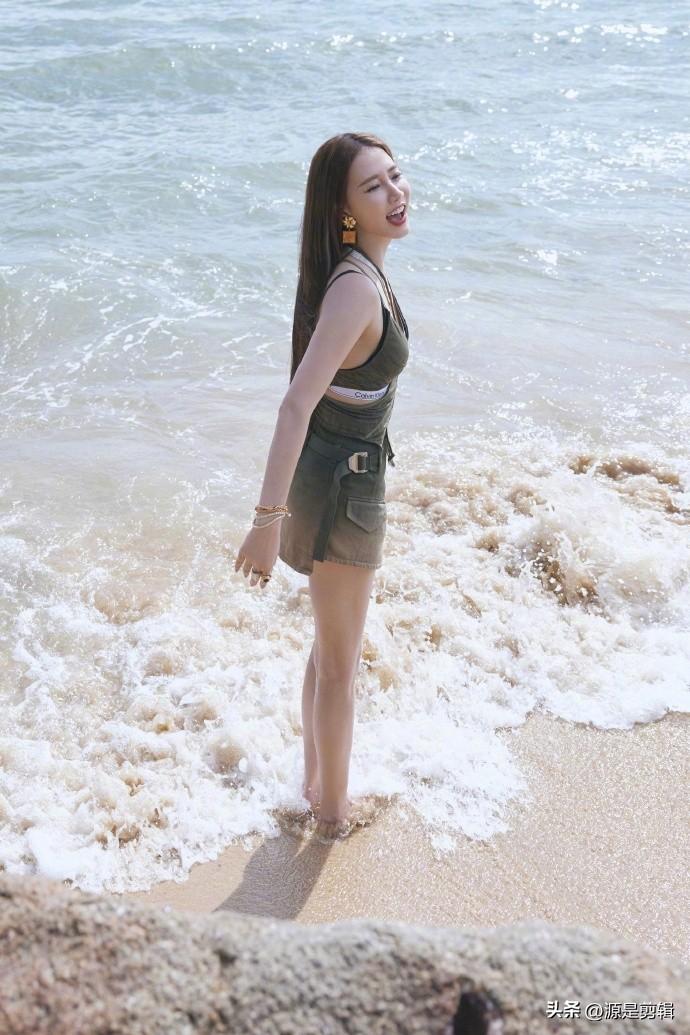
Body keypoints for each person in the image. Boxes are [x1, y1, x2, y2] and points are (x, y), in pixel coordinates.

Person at [234, 132, 411, 842]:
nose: (395, 193)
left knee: (328, 649)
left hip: (336, 478)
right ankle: (333, 816)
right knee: (340, 666)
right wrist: (265, 521)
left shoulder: (357, 273)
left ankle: (314, 785)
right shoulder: (355, 288)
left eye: (395, 176)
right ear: (343, 210)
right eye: (373, 187)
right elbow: (294, 405)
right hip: (345, 491)